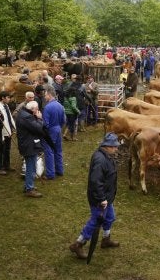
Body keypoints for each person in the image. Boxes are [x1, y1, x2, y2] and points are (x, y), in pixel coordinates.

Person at [69, 132, 120, 260]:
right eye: (114, 146)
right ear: (107, 146)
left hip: (107, 197)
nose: (116, 148)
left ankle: (105, 239)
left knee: (110, 217)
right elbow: (95, 182)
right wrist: (101, 199)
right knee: (95, 222)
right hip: (100, 199)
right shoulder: (100, 159)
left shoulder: (106, 155)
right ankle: (78, 244)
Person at [15, 100, 50, 198]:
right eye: (37, 109)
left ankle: (28, 185)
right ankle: (29, 189)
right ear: (33, 109)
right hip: (28, 145)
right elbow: (38, 128)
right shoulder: (27, 117)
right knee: (31, 167)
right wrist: (39, 119)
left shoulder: (23, 113)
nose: (38, 110)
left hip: (26, 144)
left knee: (31, 166)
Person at [42, 84, 66, 180]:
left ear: (49, 94)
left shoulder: (47, 107)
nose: (44, 96)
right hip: (58, 129)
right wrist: (59, 127)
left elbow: (45, 124)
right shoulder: (60, 105)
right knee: (58, 150)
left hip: (51, 130)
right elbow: (64, 120)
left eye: (45, 95)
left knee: (49, 151)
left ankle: (50, 174)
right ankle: (59, 170)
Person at [0, 91, 16, 175]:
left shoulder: (6, 106)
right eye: (8, 97)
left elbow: (10, 118)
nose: (9, 99)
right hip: (2, 132)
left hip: (9, 131)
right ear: (3, 98)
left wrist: (14, 127)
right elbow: (0, 121)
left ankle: (6, 165)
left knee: (7, 149)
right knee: (1, 149)